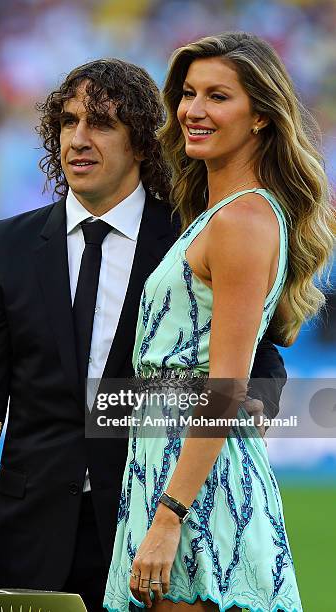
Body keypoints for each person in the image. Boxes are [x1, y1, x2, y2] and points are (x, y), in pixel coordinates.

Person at [0, 58, 288, 611]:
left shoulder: (192, 239)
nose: (78, 140)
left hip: (147, 525)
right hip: (29, 531)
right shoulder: (7, 246)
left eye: (102, 124)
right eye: (67, 122)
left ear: (141, 142)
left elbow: (262, 373)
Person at [103, 32, 334, 612]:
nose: (194, 110)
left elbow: (226, 389)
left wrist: (168, 516)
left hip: (200, 494)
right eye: (187, 93)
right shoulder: (219, 216)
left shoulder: (242, 222)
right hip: (171, 471)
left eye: (217, 96)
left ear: (259, 115)